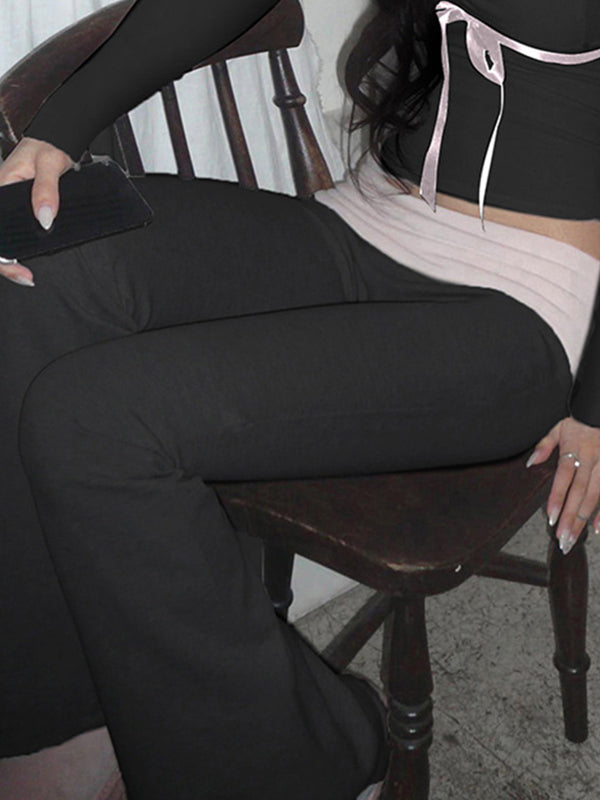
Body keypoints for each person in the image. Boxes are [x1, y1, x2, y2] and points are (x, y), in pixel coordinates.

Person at [1, 0, 600, 798]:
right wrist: (60, 130)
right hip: (365, 223)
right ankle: (66, 731)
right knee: (39, 268)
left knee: (96, 424)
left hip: (523, 305)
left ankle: (310, 758)